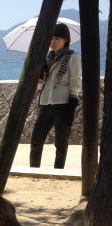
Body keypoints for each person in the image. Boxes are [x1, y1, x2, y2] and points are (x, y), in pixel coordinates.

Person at [30, 23, 81, 169]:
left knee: (61, 143)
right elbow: (41, 85)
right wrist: (41, 76)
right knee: (36, 140)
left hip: (63, 104)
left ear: (66, 40)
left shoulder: (72, 57)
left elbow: (76, 81)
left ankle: (58, 171)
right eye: (51, 38)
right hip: (46, 103)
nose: (52, 42)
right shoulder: (46, 59)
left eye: (57, 38)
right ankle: (34, 170)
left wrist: (72, 103)